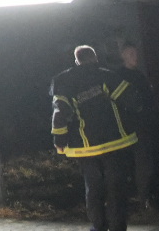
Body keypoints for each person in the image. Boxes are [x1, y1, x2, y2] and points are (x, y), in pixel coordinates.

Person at [52, 44, 139, 231]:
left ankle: (98, 226)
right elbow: (132, 99)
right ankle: (117, 226)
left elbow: (60, 114)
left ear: (77, 61)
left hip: (85, 148)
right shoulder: (106, 75)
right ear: (96, 58)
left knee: (93, 188)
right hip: (114, 143)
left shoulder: (63, 81)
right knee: (116, 188)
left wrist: (60, 141)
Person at [113, 42, 159, 212]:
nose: (135, 56)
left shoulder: (138, 74)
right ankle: (144, 200)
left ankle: (156, 198)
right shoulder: (120, 76)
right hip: (136, 128)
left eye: (135, 53)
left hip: (149, 125)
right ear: (123, 55)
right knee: (143, 165)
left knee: (152, 163)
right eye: (131, 53)